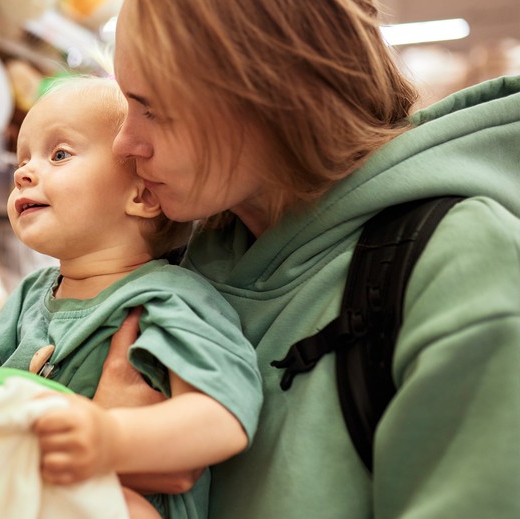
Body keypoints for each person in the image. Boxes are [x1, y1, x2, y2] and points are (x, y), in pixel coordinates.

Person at [103, 1, 520, 518]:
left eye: (152, 109)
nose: (124, 144)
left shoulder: (463, 269)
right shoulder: (177, 266)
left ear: (272, 97)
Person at [0, 76, 263, 519]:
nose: (22, 173)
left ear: (141, 195)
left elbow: (222, 416)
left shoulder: (171, 299)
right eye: (22, 159)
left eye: (59, 154)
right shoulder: (30, 295)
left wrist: (110, 438)